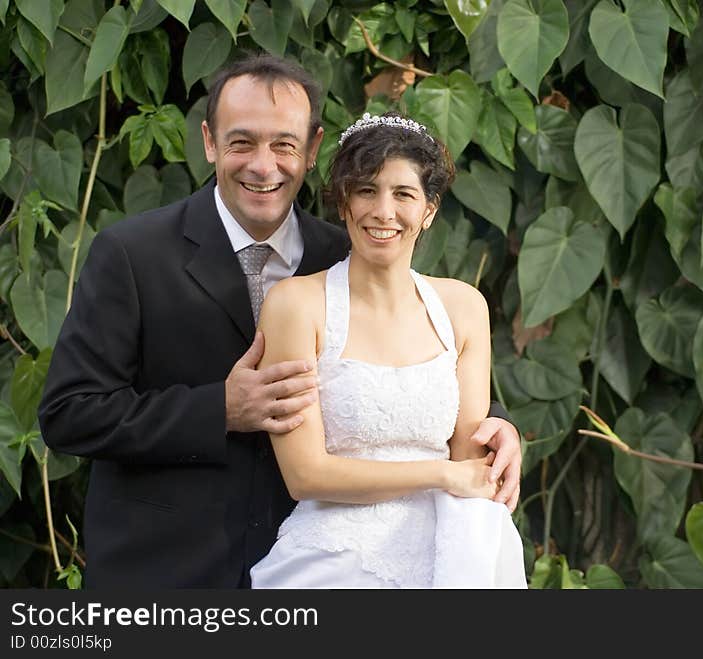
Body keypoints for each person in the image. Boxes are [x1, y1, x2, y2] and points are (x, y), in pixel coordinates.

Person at [37, 53, 521, 588]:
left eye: (284, 145)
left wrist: (496, 426)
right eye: (241, 142)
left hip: (325, 567)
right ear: (209, 142)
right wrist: (219, 408)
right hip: (169, 569)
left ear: (312, 149)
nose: (262, 166)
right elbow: (69, 413)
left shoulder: (351, 250)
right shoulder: (132, 254)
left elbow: (409, 359)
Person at [249, 112, 527, 588]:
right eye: (366, 191)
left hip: (449, 545)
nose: (383, 211)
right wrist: (440, 475)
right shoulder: (297, 305)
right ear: (343, 204)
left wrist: (496, 443)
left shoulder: (463, 307)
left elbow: (468, 456)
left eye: (403, 194)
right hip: (334, 554)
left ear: (429, 209)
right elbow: (304, 475)